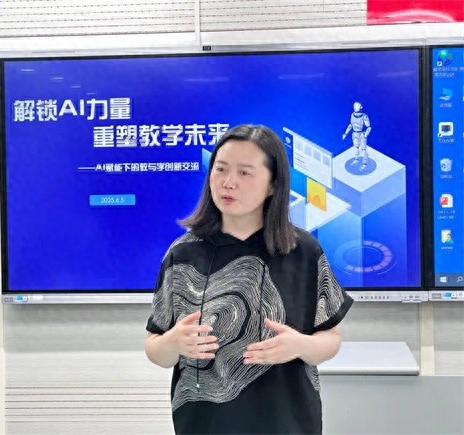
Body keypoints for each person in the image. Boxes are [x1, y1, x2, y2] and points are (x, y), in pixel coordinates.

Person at [145, 124, 353, 435]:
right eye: (220, 169)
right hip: (204, 425)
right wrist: (172, 343)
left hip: (288, 423)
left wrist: (301, 345)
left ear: (273, 185)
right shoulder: (183, 253)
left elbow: (330, 339)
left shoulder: (303, 251)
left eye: (245, 173)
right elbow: (155, 348)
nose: (228, 182)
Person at [342, 101, 371, 170]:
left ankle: (365, 163)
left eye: (357, 106)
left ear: (361, 107)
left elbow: (369, 127)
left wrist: (365, 134)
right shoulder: (352, 115)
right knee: (356, 147)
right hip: (355, 133)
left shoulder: (364, 116)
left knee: (363, 149)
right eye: (355, 106)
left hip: (361, 134)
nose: (356, 107)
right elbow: (351, 125)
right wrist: (345, 134)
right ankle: (356, 159)